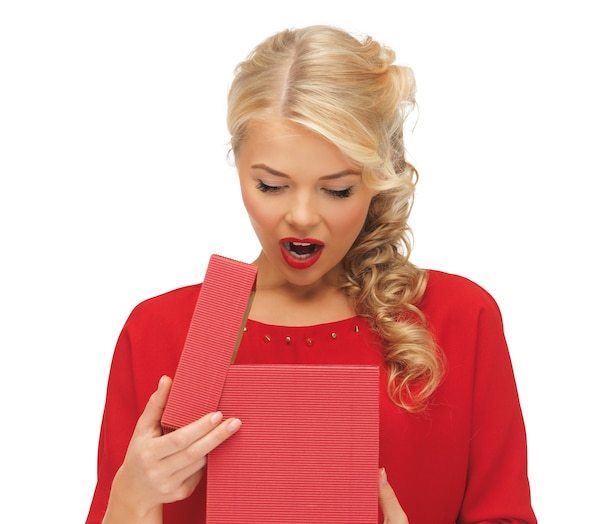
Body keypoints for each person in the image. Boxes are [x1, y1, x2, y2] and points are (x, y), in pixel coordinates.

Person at [86, 25, 537, 524]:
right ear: (238, 164)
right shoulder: (166, 329)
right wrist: (128, 502)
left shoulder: (456, 317)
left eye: (337, 190)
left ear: (380, 176)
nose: (301, 216)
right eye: (271, 185)